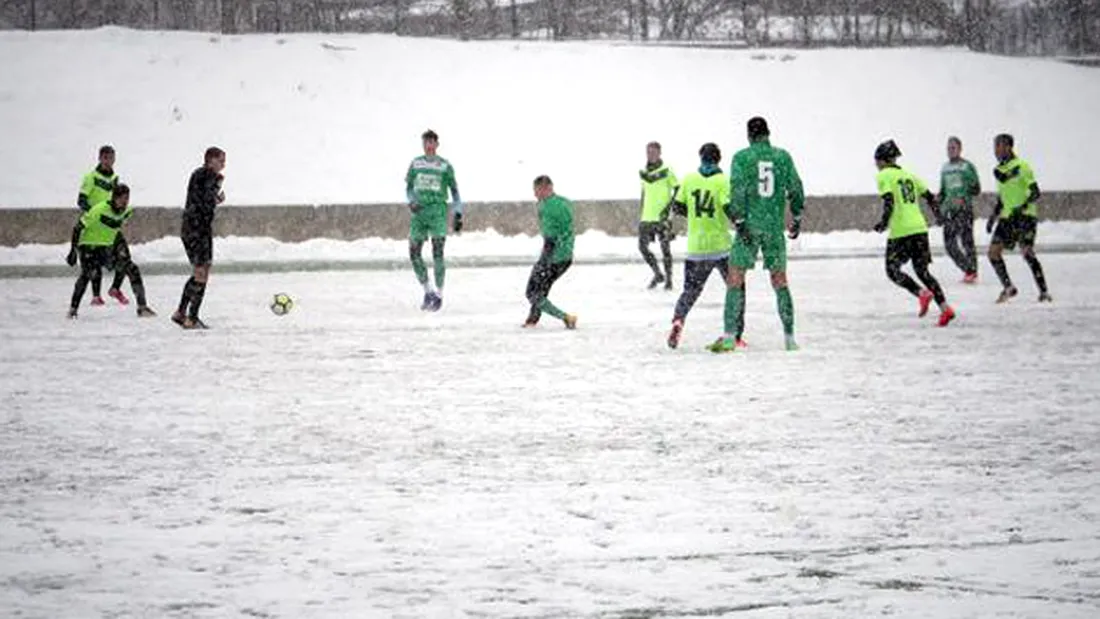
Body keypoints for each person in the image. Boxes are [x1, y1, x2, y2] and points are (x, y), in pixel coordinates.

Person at [710, 117, 804, 353]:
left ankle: (730, 336)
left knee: (735, 278)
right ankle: (790, 337)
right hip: (773, 227)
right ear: (768, 133)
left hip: (749, 226)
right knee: (780, 280)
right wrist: (797, 216)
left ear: (749, 135)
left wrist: (739, 220)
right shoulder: (783, 157)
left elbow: (738, 190)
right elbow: (795, 187)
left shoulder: (742, 158)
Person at [666, 143, 745, 349]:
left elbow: (678, 206)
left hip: (696, 247)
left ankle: (678, 320)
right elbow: (729, 208)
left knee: (690, 291)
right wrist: (741, 224)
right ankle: (735, 334)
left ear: (700, 157)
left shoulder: (689, 179)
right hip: (721, 247)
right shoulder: (722, 181)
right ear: (718, 159)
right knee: (736, 288)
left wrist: (693, 215)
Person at [872, 139, 956, 327]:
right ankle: (945, 309)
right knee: (923, 272)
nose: (876, 166)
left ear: (883, 160)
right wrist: (939, 216)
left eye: (876, 161)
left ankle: (922, 294)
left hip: (901, 231)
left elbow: (889, 200)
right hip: (919, 228)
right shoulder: (909, 175)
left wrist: (884, 223)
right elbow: (930, 197)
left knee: (892, 271)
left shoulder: (884, 176)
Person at [66, 184, 155, 318]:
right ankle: (73, 309)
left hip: (105, 248)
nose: (125, 202)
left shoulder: (127, 212)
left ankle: (142, 307)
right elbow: (77, 228)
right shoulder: (99, 210)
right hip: (88, 246)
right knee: (88, 274)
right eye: (122, 199)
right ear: (114, 198)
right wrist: (73, 251)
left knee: (131, 268)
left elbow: (114, 227)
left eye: (127, 199)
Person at [987, 133, 1051, 303]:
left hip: (1025, 216)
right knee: (993, 253)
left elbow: (1035, 192)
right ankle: (1008, 287)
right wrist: (993, 217)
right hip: (1007, 218)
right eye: (995, 146)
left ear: (1009, 147)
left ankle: (1044, 292)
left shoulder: (1022, 166)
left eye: (999, 146)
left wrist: (1023, 207)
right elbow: (1002, 198)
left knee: (1027, 252)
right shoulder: (999, 171)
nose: (996, 150)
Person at [405, 129, 462, 312]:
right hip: (419, 214)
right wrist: (411, 201)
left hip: (437, 212)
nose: (429, 145)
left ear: (437, 144)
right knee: (414, 253)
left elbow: (454, 191)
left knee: (438, 252)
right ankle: (427, 290)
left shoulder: (445, 166)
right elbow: (409, 188)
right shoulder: (416, 163)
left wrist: (458, 212)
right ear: (423, 144)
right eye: (426, 142)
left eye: (432, 142)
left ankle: (439, 294)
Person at [173, 147, 226, 329]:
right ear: (210, 160)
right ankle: (192, 317)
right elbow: (203, 203)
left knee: (201, 270)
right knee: (202, 273)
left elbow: (201, 199)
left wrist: (215, 197)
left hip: (194, 228)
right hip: (197, 230)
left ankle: (181, 312)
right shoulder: (207, 176)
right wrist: (215, 190)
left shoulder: (200, 175)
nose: (223, 165)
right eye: (221, 160)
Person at [69, 145, 122, 305]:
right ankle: (94, 296)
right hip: (92, 224)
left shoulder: (114, 179)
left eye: (110, 158)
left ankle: (110, 291)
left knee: (115, 259)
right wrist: (94, 213)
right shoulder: (91, 177)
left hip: (107, 225)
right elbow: (81, 200)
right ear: (100, 158)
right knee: (91, 265)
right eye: (105, 158)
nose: (108, 161)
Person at [523, 175, 577, 329]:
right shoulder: (562, 202)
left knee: (532, 292)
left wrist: (547, 257)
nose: (535, 195)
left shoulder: (549, 206)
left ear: (547, 188)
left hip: (554, 255)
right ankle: (532, 320)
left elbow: (555, 235)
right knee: (541, 289)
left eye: (537, 191)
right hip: (564, 256)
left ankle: (565, 317)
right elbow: (567, 229)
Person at [938, 136, 981, 283]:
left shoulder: (967, 167)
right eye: (948, 148)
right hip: (950, 210)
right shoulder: (945, 168)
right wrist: (939, 206)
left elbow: (976, 189)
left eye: (953, 148)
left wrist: (963, 195)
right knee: (949, 244)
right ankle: (968, 268)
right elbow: (943, 191)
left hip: (964, 208)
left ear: (960, 149)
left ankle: (972, 271)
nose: (950, 151)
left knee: (967, 241)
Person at [638, 141, 678, 290]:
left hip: (662, 217)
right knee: (642, 247)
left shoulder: (667, 170)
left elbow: (677, 189)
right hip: (646, 216)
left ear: (659, 153)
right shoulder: (643, 172)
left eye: (653, 152)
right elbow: (644, 192)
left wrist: (669, 208)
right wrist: (641, 211)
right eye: (648, 152)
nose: (651, 155)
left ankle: (669, 280)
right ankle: (657, 273)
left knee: (665, 249)